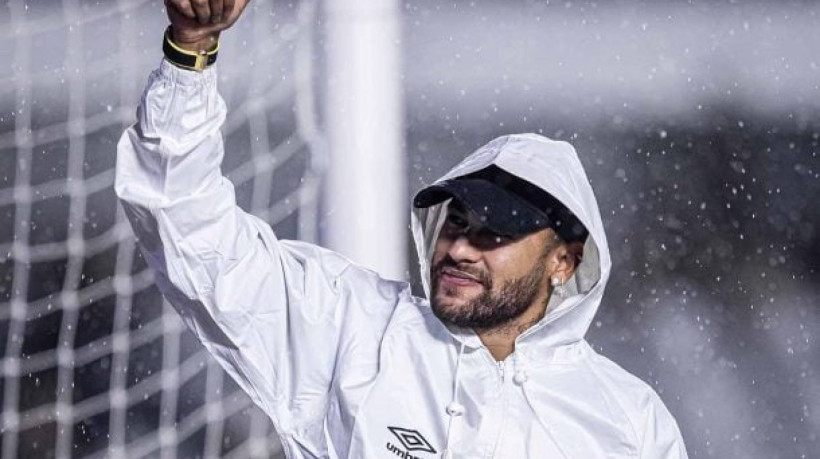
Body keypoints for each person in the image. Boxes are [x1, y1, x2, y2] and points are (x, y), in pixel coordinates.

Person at [115, 1, 689, 457]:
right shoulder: (352, 330)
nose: (460, 247)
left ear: (563, 261)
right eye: (455, 220)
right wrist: (191, 50)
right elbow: (182, 218)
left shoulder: (629, 422)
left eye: (495, 233)